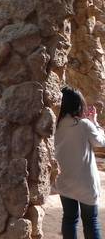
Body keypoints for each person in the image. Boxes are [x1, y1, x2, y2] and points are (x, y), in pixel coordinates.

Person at [55, 86, 105, 239]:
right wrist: (94, 122)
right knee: (91, 221)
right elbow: (101, 143)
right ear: (78, 104)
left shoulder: (55, 125)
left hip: (64, 181)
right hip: (85, 183)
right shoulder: (83, 124)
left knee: (69, 219)